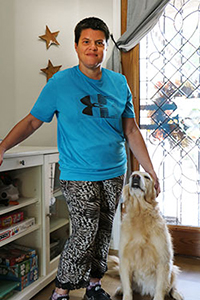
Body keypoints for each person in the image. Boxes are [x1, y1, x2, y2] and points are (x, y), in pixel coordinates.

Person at [0, 17, 160, 300]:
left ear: (106, 47)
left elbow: (131, 130)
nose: (93, 48)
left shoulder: (120, 83)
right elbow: (32, 122)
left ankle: (94, 286)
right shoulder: (60, 83)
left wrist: (150, 171)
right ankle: (60, 291)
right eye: (86, 42)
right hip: (78, 173)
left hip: (114, 172)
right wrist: (2, 147)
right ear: (76, 46)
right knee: (85, 232)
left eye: (99, 43)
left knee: (103, 231)